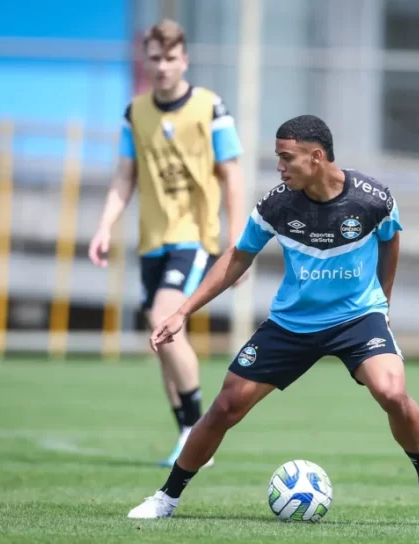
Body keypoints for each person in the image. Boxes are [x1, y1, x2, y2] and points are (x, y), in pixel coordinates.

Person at [126, 115, 419, 528]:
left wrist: (383, 302)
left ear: (316, 157)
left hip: (357, 318)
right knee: (226, 406)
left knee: (392, 393)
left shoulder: (373, 198)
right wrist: (182, 311)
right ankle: (166, 498)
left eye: (287, 158)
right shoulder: (277, 205)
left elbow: (390, 238)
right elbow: (237, 257)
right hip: (292, 323)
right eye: (278, 158)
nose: (280, 167)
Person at [88, 19, 245, 468]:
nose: (162, 67)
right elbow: (124, 177)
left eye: (170, 58)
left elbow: (232, 175)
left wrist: (237, 242)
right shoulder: (134, 113)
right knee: (161, 341)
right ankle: (185, 432)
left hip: (195, 237)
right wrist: (103, 227)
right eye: (154, 58)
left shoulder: (211, 108)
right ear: (146, 60)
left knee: (164, 317)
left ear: (185, 60)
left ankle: (199, 434)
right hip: (152, 242)